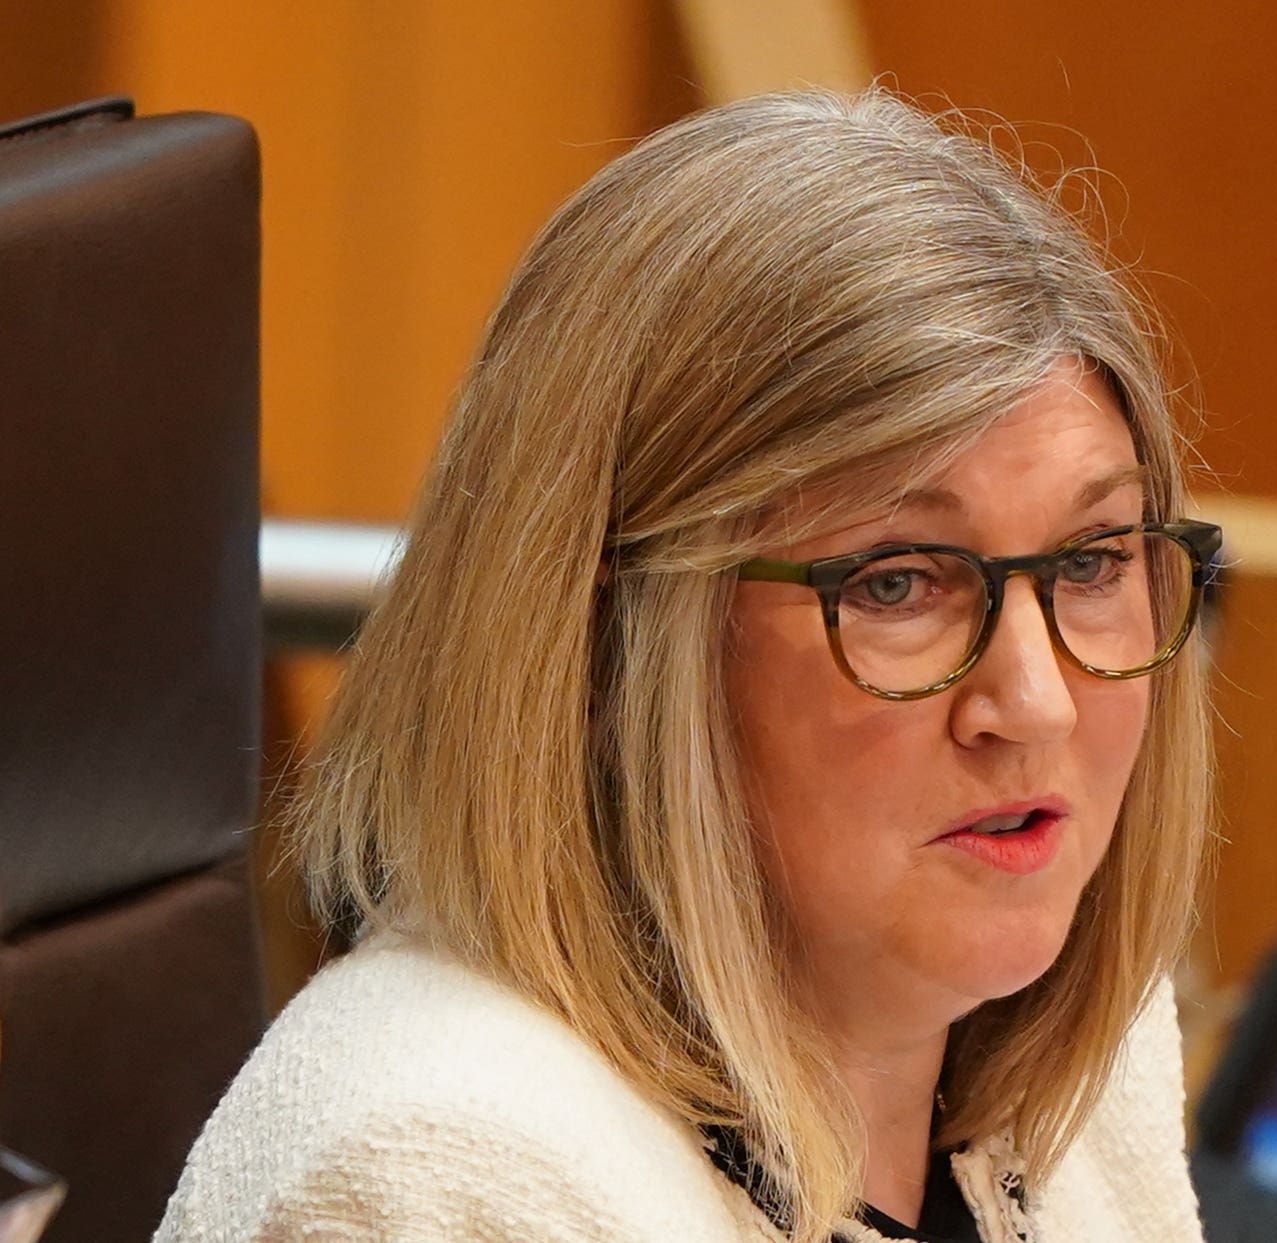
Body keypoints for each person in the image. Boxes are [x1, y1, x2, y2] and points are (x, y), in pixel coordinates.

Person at [156, 87, 1219, 1243]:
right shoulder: (445, 1175)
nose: (1034, 702)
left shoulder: (1074, 1064)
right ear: (608, 644)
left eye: (1089, 561)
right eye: (897, 583)